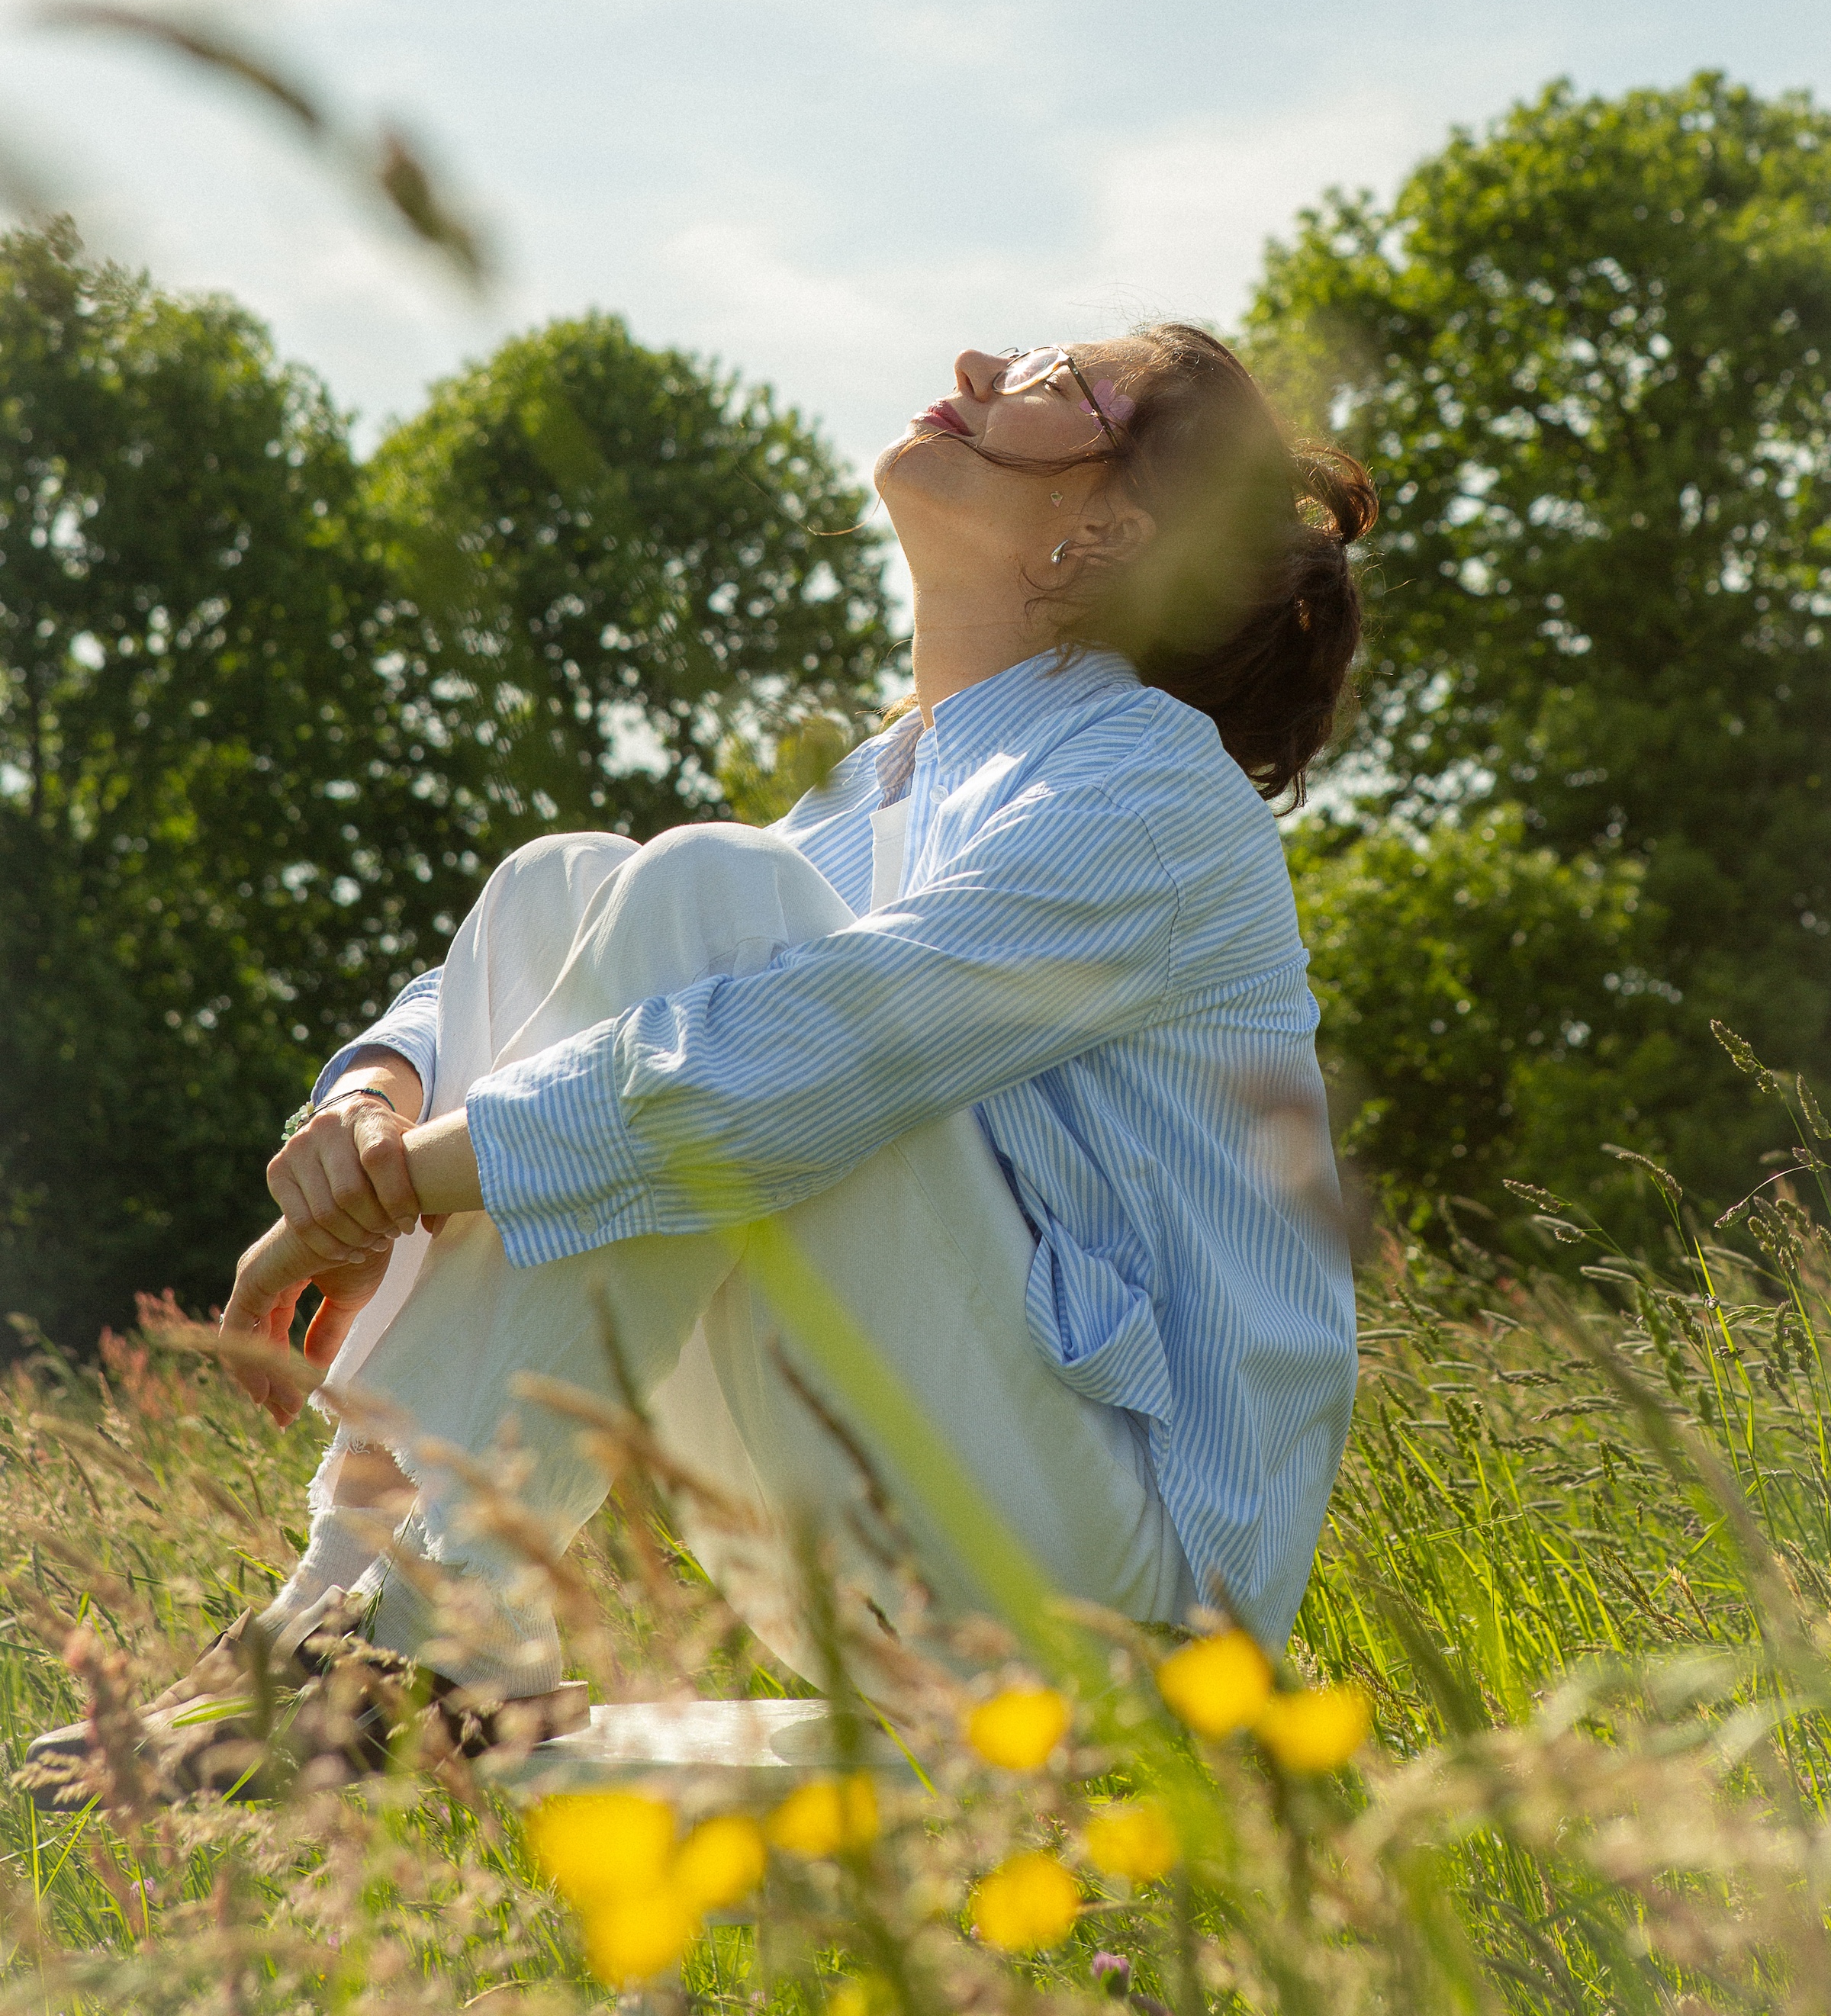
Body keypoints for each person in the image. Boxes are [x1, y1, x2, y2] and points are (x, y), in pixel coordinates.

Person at [31, 323, 1374, 1799]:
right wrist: (375, 1098)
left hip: (1129, 1606)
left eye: (1063, 380)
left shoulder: (1149, 788)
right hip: (898, 1560)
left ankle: (419, 1633)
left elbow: (791, 1051)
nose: (987, 361)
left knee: (700, 899)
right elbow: (586, 958)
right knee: (568, 879)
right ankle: (352, 1617)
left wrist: (398, 1195)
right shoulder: (888, 784)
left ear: (1109, 529)